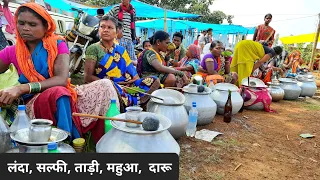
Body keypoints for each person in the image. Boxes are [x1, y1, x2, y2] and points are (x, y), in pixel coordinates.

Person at [0, 3, 120, 144]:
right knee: (58, 93)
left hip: (63, 91)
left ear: (46, 27)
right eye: (21, 23)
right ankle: (68, 141)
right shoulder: (12, 51)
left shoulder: (57, 44)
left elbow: (62, 79)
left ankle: (106, 139)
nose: (25, 28)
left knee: (105, 85)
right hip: (32, 102)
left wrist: (21, 88)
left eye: (32, 24)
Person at [84, 15, 160, 109]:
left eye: (110, 27)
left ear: (116, 32)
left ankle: (138, 100)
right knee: (116, 91)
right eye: (102, 26)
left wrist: (132, 86)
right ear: (98, 30)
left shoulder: (121, 50)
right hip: (107, 86)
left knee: (155, 80)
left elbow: (133, 75)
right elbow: (87, 77)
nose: (105, 30)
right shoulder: (93, 48)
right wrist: (113, 85)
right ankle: (134, 102)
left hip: (127, 85)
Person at [107, 0, 138, 64]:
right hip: (118, 38)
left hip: (129, 38)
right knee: (119, 59)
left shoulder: (133, 10)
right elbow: (106, 18)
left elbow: (133, 24)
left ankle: (129, 73)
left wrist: (134, 36)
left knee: (131, 60)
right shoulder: (116, 8)